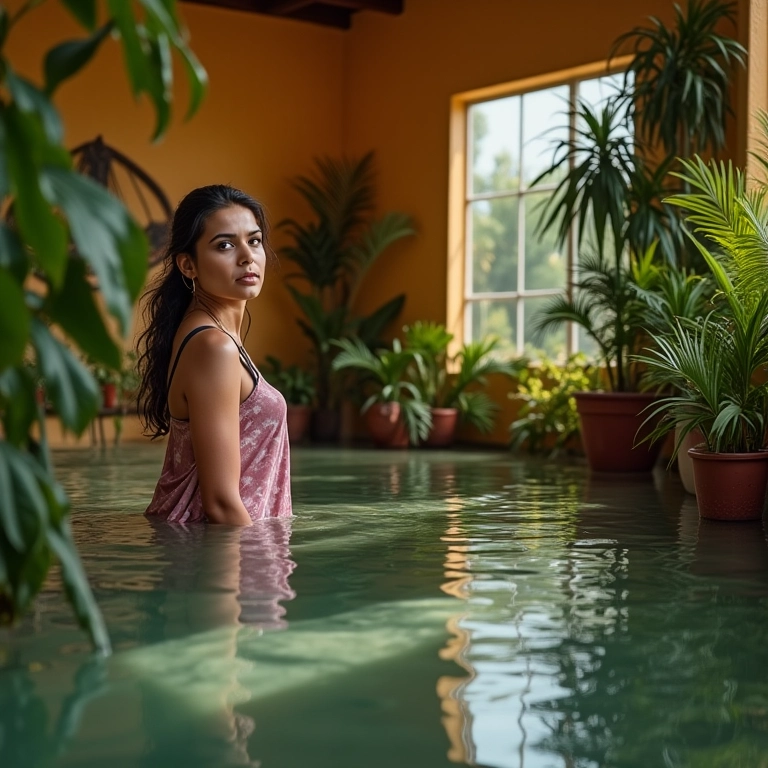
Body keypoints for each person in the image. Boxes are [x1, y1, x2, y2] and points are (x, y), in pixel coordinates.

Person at [137, 185, 292, 525]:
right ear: (188, 265)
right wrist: (253, 566)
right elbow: (221, 503)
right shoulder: (213, 347)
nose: (246, 256)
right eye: (225, 245)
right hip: (220, 559)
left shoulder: (213, 336)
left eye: (253, 241)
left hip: (211, 554)